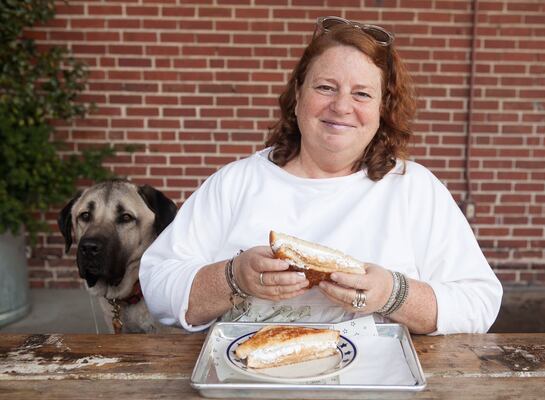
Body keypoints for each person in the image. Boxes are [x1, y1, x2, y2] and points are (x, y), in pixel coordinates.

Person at [139, 16, 503, 335]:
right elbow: (158, 285)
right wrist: (235, 277)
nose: (342, 106)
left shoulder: (414, 188)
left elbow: (479, 302)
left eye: (361, 94)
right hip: (251, 380)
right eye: (325, 87)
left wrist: (393, 295)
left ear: (382, 110)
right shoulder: (238, 182)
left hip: (376, 383)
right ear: (298, 95)